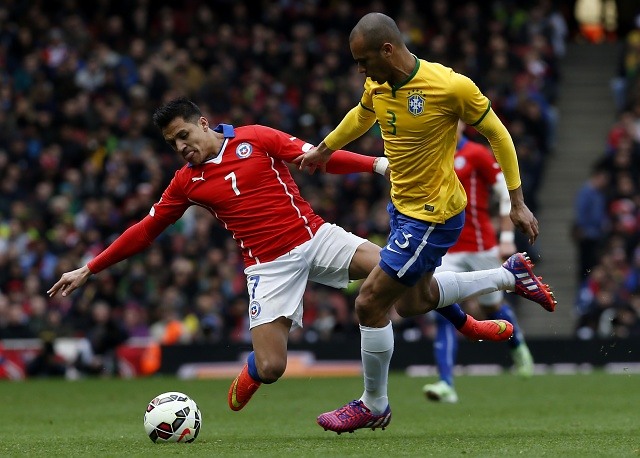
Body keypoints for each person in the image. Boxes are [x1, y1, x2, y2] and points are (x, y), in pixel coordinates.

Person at [47, 98, 513, 413]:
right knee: (272, 368)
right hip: (267, 267)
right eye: (173, 143)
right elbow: (146, 231)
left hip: (315, 237)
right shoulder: (185, 183)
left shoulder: (257, 138)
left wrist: (376, 164)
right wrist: (89, 268)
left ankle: (475, 315)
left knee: (403, 277)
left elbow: (318, 156)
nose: (182, 146)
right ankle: (249, 373)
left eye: (185, 134)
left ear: (203, 123)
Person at [298, 12, 556, 434]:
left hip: (433, 217)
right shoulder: (377, 85)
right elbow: (362, 116)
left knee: (368, 303)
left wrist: (517, 202)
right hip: (402, 210)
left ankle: (373, 403)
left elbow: (499, 135)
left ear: (387, 49)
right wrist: (325, 148)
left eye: (364, 60)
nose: (360, 70)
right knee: (415, 302)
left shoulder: (449, 86)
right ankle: (508, 277)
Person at [422, 121, 534, 405]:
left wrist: (507, 236)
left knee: (491, 307)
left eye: (454, 121)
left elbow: (503, 192)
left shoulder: (476, 153)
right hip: (447, 248)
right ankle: (446, 383)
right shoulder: (431, 154)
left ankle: (517, 344)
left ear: (461, 125)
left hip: (482, 245)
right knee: (442, 309)